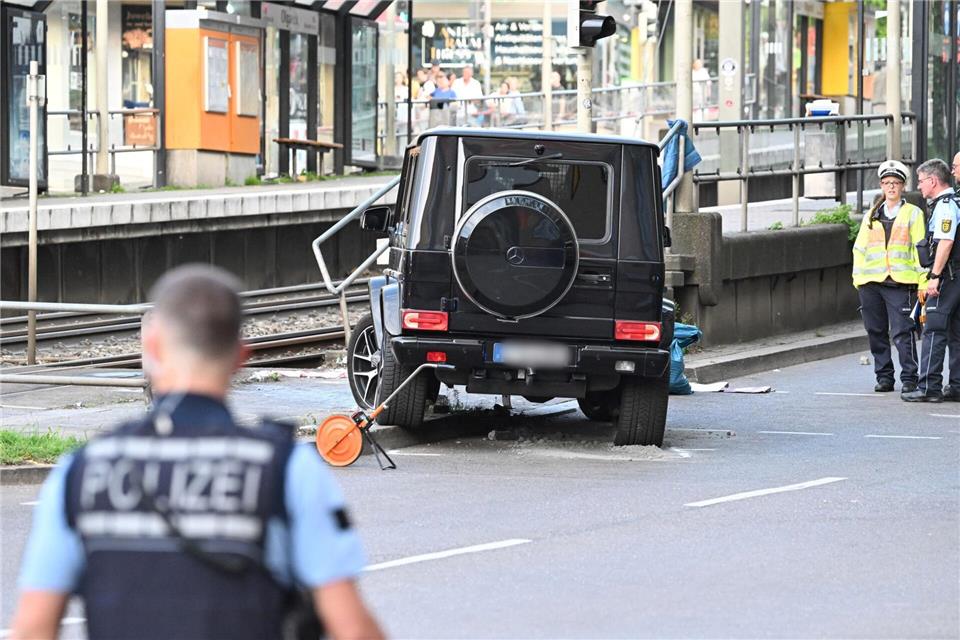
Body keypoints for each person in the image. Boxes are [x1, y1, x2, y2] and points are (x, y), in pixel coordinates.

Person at [10, 265, 384, 640]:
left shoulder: (81, 472)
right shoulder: (286, 470)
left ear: (152, 347)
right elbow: (352, 629)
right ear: (240, 357)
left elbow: (33, 629)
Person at [852, 160, 927, 396]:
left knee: (902, 332)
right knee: (875, 331)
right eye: (887, 183)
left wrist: (923, 281)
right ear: (882, 186)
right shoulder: (872, 214)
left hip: (900, 282)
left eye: (895, 183)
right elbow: (859, 248)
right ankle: (884, 377)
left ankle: (909, 378)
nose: (891, 187)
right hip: (870, 282)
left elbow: (920, 250)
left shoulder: (913, 214)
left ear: (903, 186)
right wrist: (858, 278)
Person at [903, 159, 960, 402]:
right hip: (956, 275)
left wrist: (934, 277)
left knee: (934, 328)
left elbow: (945, 242)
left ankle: (929, 386)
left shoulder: (946, 205)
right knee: (956, 331)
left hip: (947, 275)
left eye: (921, 181)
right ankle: (957, 385)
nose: (919, 186)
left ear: (933, 181)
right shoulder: (953, 201)